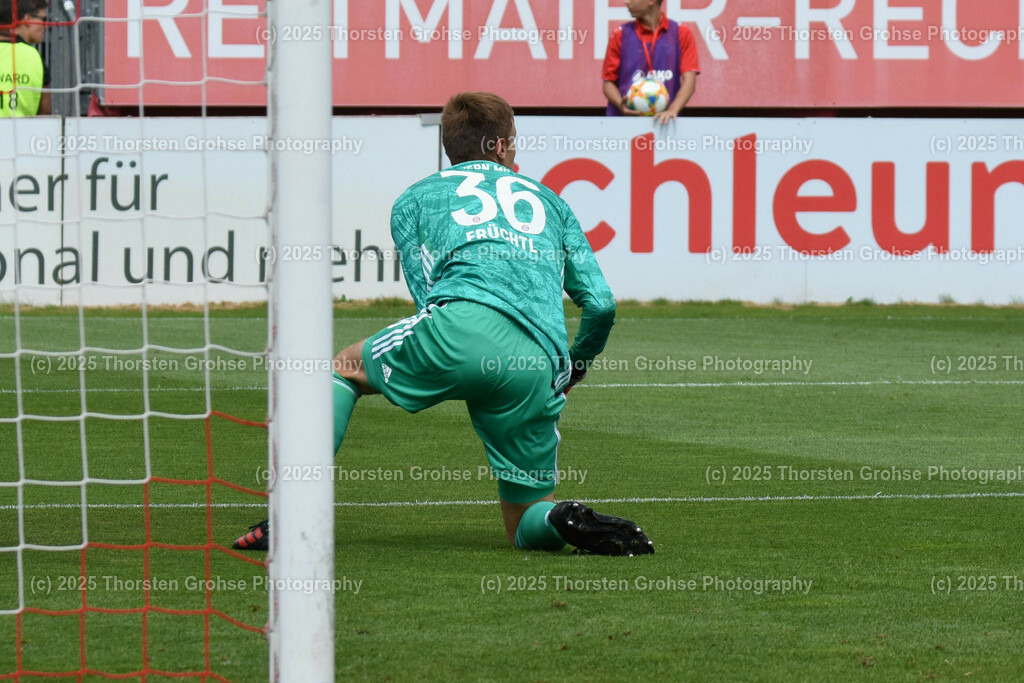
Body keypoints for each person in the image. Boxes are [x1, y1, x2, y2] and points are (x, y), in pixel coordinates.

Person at [233, 92, 654, 557]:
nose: (515, 151)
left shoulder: (413, 200)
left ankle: (293, 513)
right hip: (537, 363)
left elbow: (425, 295)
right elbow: (601, 305)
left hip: (459, 328)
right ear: (497, 146)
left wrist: (452, 355)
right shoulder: (553, 203)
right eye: (512, 142)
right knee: (524, 523)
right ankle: (558, 518)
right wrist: (574, 367)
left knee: (343, 368)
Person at [603, 0, 700, 124]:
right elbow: (608, 83)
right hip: (623, 122)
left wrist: (672, 110)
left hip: (664, 123)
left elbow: (689, 81)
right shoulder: (620, 34)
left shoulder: (682, 33)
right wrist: (621, 105)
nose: (626, 2)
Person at [0, 0, 49, 116]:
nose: (46, 26)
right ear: (27, 19)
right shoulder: (34, 56)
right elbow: (46, 113)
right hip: (23, 132)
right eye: (43, 19)